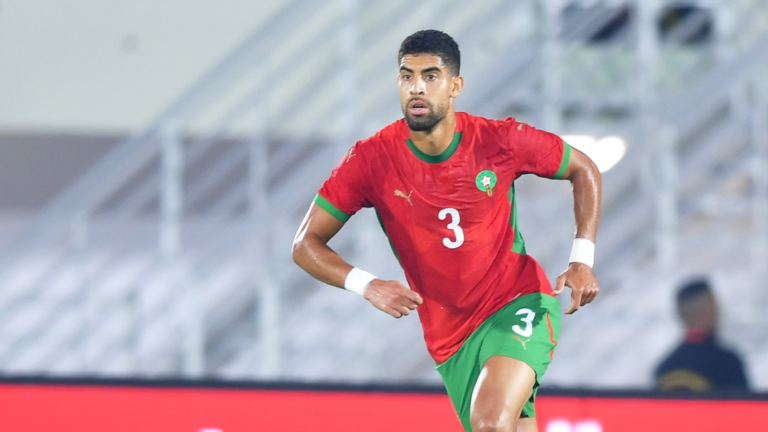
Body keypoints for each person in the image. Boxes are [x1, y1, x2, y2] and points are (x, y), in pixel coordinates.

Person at [292, 30, 602, 432]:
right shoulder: (372, 159)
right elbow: (305, 244)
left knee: (490, 421)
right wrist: (367, 285)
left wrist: (582, 259)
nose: (416, 88)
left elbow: (583, 168)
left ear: (455, 86)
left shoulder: (498, 140)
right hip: (450, 337)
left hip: (516, 300)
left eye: (430, 76)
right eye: (407, 76)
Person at [654, 278, 749, 392]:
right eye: (714, 306)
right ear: (707, 311)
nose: (718, 311)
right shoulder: (728, 362)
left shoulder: (665, 367)